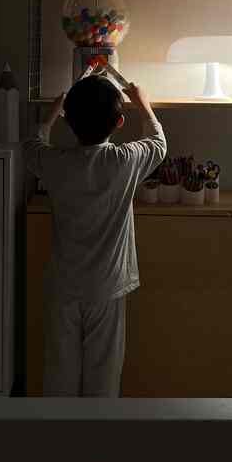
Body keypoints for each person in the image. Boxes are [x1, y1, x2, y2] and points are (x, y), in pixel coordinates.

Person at [23, 74, 166, 403]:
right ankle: (96, 449)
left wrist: (50, 115)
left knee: (59, 372)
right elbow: (159, 144)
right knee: (103, 373)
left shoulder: (55, 162)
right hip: (107, 288)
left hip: (64, 286)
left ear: (69, 122)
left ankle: (60, 448)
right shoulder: (123, 161)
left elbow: (31, 146)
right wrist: (143, 103)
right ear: (119, 122)